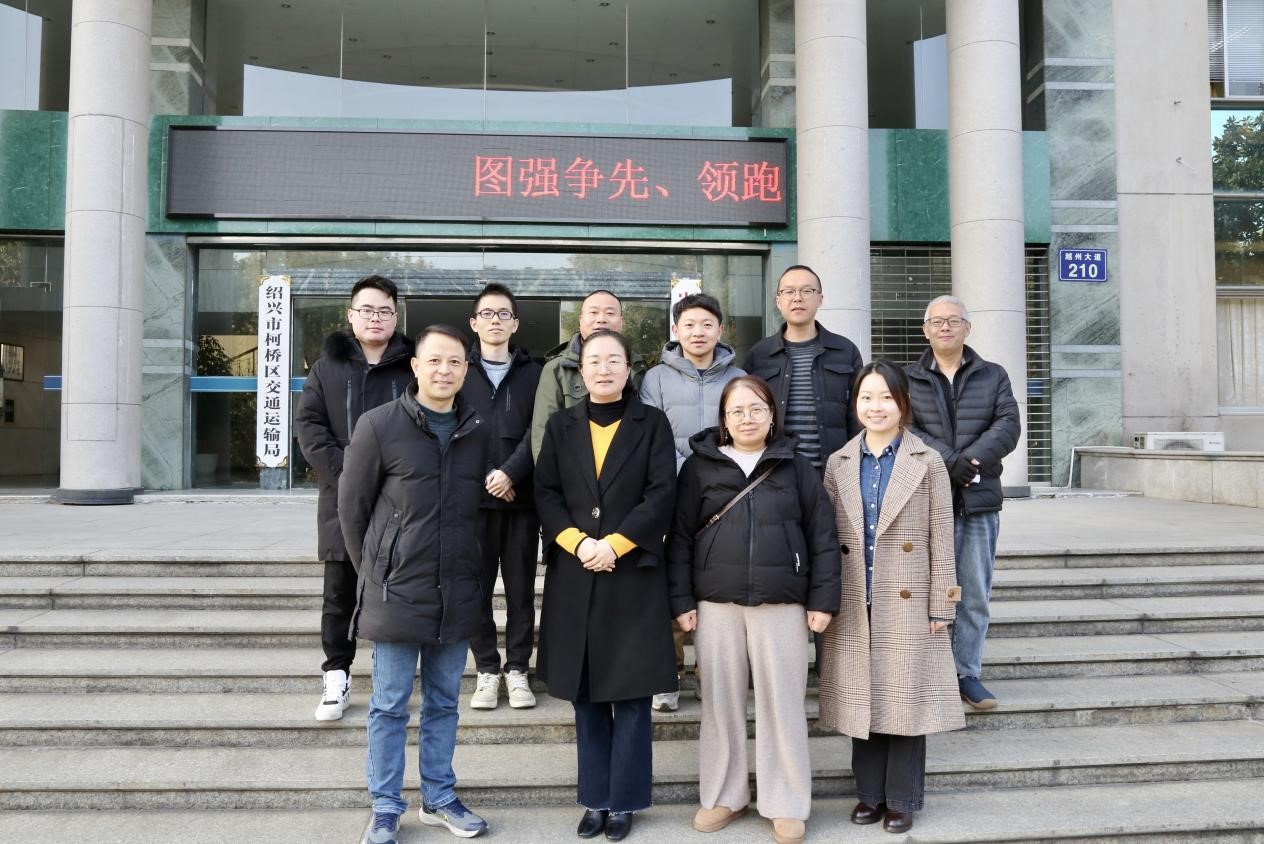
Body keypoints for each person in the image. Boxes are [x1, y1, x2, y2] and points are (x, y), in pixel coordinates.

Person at [666, 375, 838, 844]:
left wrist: (822, 600)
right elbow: (678, 539)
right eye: (737, 410)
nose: (747, 418)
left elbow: (823, 536)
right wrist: (681, 601)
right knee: (720, 705)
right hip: (715, 604)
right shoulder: (698, 469)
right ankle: (725, 795)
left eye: (757, 409)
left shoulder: (796, 466)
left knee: (783, 706)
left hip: (782, 604)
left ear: (771, 415)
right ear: (723, 419)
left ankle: (785, 802)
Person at [339, 325, 491, 844]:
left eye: (455, 362)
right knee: (388, 704)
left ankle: (439, 798)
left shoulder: (477, 429)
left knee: (445, 702)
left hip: (457, 588)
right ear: (416, 366)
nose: (444, 370)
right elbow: (352, 509)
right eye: (435, 360)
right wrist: (376, 573)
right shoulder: (379, 425)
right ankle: (385, 806)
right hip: (397, 591)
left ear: (465, 370)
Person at [534, 329, 677, 842]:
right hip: (576, 573)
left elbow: (662, 493)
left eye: (613, 360)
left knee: (631, 695)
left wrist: (614, 544)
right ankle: (596, 798)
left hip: (631, 574)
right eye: (593, 360)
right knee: (587, 693)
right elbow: (545, 492)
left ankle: (626, 801)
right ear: (580, 369)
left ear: (628, 368)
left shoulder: (652, 423)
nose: (603, 368)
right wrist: (578, 543)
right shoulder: (561, 425)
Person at [818, 360, 965, 835]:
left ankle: (902, 798)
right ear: (855, 403)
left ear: (903, 403)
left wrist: (942, 604)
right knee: (862, 697)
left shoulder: (928, 461)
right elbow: (826, 539)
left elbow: (943, 537)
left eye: (885, 397)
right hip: (854, 598)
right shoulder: (839, 462)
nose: (875, 406)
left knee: (905, 700)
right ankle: (869, 795)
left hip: (908, 597)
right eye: (866, 397)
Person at [295, 274, 414, 722]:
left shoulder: (412, 366)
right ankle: (336, 676)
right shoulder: (327, 367)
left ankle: (391, 678)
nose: (375, 318)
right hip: (341, 497)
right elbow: (309, 427)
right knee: (339, 593)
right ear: (351, 315)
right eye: (366, 310)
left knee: (395, 589)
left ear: (395, 316)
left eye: (384, 310)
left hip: (399, 498)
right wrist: (349, 476)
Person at [904, 295, 1020, 710]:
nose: (945, 327)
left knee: (973, 592)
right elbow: (904, 427)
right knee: (921, 590)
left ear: (967, 328)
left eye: (954, 320)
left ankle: (966, 673)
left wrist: (969, 462)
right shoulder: (908, 378)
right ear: (925, 330)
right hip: (924, 499)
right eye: (937, 321)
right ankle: (925, 671)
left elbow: (1008, 424)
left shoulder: (993, 374)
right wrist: (948, 461)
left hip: (978, 499)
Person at [640, 292, 744, 712]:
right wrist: (687, 474)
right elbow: (651, 437)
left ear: (720, 329)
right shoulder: (655, 379)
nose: (698, 332)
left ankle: (710, 676)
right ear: (676, 330)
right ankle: (667, 675)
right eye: (689, 324)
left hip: (726, 497)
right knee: (672, 585)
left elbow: (747, 432)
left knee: (717, 587)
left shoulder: (739, 377)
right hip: (672, 494)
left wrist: (716, 476)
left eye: (706, 324)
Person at [462, 283, 544, 712]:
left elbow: (539, 429)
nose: (495, 320)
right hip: (473, 504)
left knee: (520, 592)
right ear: (474, 323)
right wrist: (485, 477)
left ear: (515, 324)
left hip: (520, 501)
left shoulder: (535, 373)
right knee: (475, 591)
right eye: (487, 314)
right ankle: (487, 670)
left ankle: (517, 669)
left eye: (504, 314)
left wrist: (510, 472)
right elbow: (451, 427)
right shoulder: (459, 369)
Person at [741, 265, 865, 474]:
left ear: (820, 299)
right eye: (789, 291)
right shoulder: (759, 355)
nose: (797, 298)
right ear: (778, 301)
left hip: (834, 473)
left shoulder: (845, 351)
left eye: (807, 291)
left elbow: (858, 415)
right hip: (775, 474)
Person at [531, 290, 647, 459]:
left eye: (610, 313)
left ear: (621, 322)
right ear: (580, 320)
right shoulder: (556, 369)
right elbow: (542, 432)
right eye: (593, 312)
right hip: (573, 467)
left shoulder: (637, 367)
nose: (601, 319)